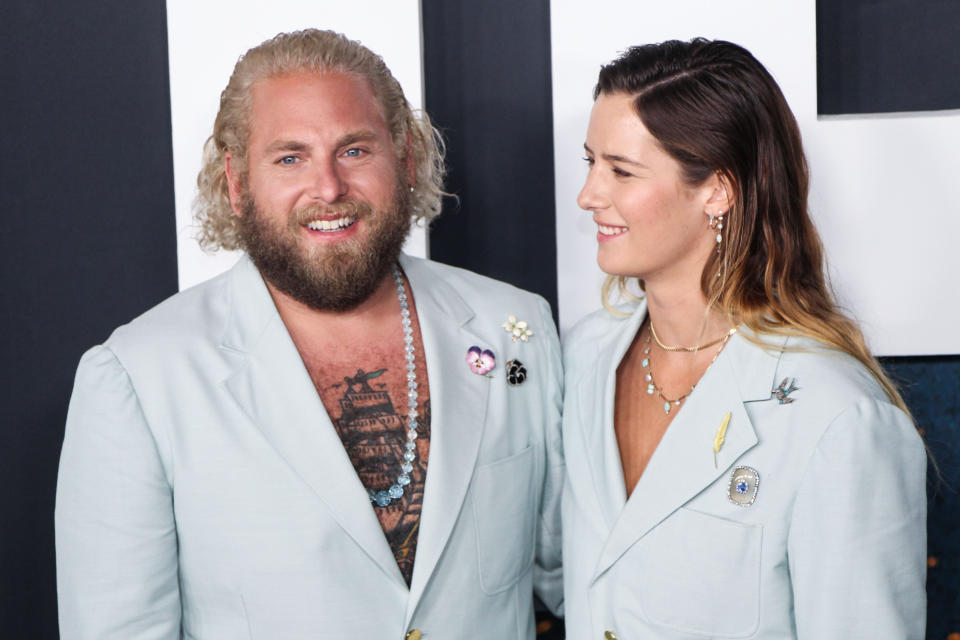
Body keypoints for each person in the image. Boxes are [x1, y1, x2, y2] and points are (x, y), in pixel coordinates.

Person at [55, 29, 563, 639]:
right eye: (289, 157)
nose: (327, 189)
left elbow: (570, 575)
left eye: (354, 150)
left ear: (404, 158)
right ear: (237, 182)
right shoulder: (139, 376)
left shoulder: (517, 332)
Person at [561, 38, 926, 639]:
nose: (588, 195)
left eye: (621, 171)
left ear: (718, 190)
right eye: (590, 162)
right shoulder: (586, 358)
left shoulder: (840, 416)